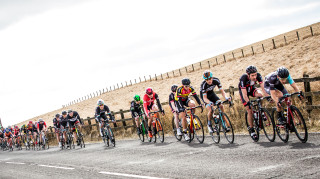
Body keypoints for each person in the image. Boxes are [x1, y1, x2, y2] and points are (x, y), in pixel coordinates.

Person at [239, 65, 268, 140]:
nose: (255, 77)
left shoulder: (258, 76)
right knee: (249, 110)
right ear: (248, 75)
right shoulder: (243, 78)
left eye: (255, 74)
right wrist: (248, 102)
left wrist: (267, 96)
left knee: (260, 95)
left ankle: (261, 111)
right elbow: (244, 94)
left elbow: (263, 87)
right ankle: (252, 129)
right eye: (252, 75)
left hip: (252, 89)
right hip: (244, 92)